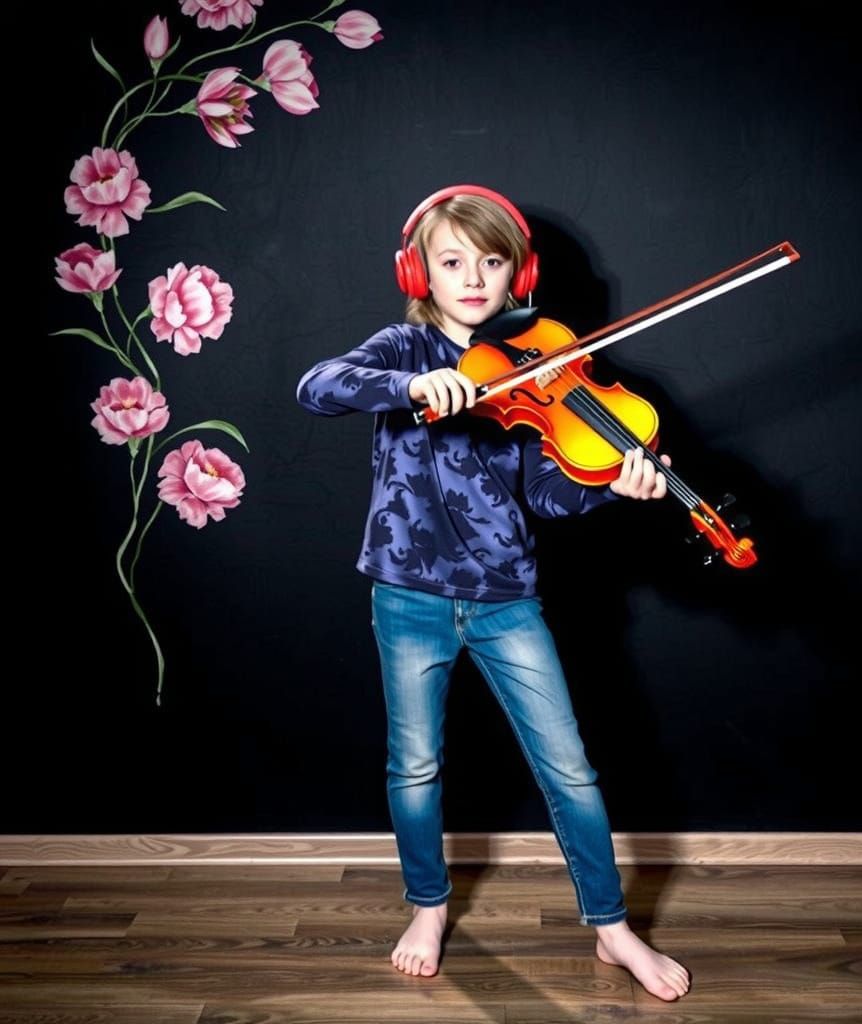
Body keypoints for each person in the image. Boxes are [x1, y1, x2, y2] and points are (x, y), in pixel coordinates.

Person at [296, 184, 691, 1001]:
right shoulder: (403, 349)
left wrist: (613, 484)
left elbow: (548, 495)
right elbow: (318, 386)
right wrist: (411, 389)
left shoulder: (543, 363)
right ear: (419, 273)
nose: (473, 278)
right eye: (451, 262)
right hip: (407, 594)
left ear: (520, 273)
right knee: (415, 766)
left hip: (505, 595)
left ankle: (612, 927)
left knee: (570, 769)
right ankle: (429, 907)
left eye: (491, 261)